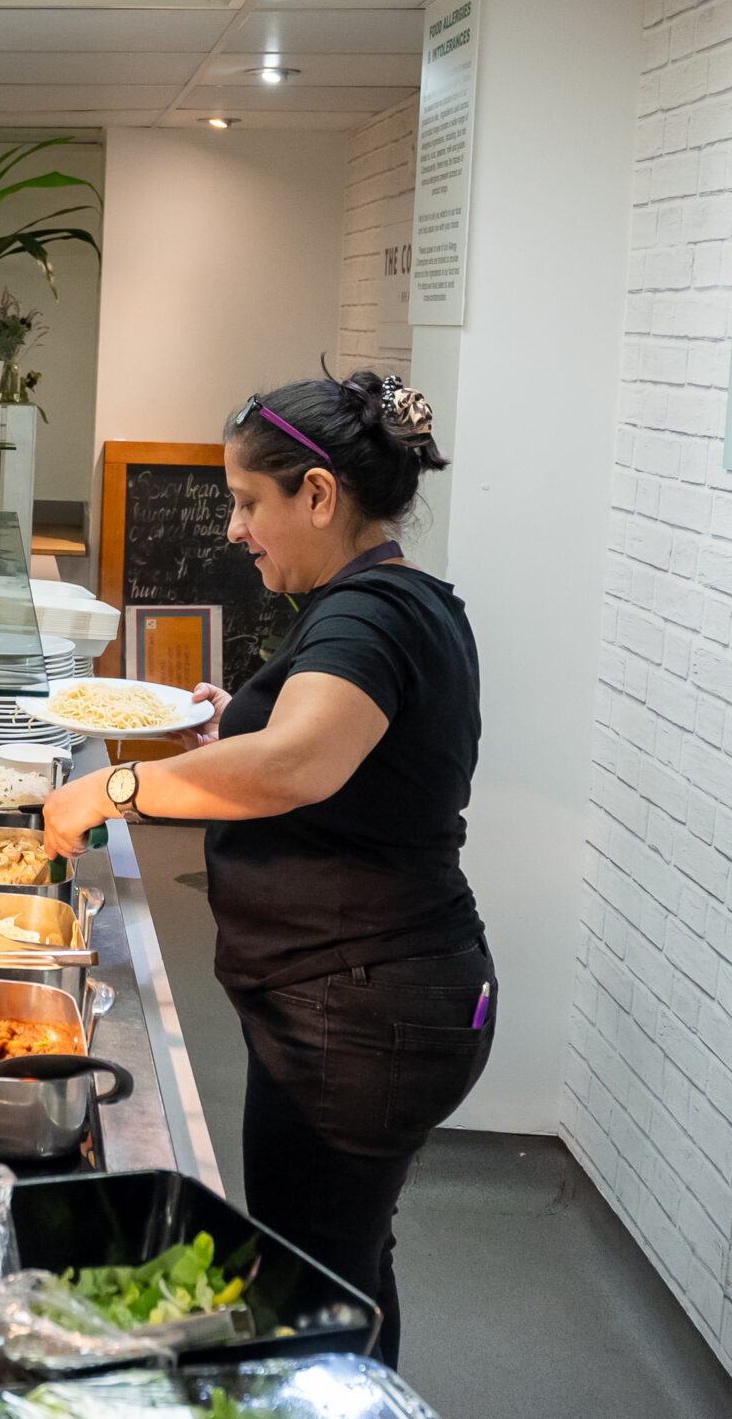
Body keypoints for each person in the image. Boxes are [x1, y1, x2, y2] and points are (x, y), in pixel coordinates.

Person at [42, 371, 487, 1368]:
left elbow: (295, 765)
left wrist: (115, 789)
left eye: (248, 501)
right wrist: (232, 724)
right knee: (344, 1264)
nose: (236, 528)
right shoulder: (387, 601)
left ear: (318, 494)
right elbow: (320, 748)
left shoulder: (367, 616)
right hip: (377, 993)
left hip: (362, 1007)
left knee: (307, 1284)